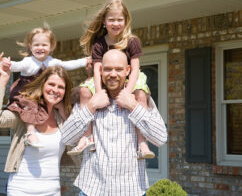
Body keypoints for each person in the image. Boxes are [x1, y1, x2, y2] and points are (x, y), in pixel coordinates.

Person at [61, 49, 167, 196]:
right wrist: (91, 106)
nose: (112, 74)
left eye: (118, 69)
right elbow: (66, 138)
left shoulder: (139, 98)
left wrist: (133, 106)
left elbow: (160, 138)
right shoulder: (89, 99)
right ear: (100, 71)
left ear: (128, 70)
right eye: (108, 69)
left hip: (132, 190)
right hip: (91, 189)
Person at [67, 0, 154, 159]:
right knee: (85, 92)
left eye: (120, 19)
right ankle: (88, 136)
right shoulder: (99, 44)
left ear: (126, 21)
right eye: (111, 19)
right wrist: (99, 93)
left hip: (129, 76)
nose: (116, 23)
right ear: (104, 21)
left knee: (140, 96)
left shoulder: (132, 41)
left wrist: (128, 93)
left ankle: (142, 141)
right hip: (104, 76)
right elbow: (97, 69)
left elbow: (135, 69)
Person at [0, 53, 78, 195]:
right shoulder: (25, 114)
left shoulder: (62, 119)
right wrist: (3, 79)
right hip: (21, 189)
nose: (55, 90)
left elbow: (77, 141)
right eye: (51, 84)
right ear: (42, 85)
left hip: (52, 191)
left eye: (61, 87)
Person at [2, 24, 91, 148]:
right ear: (30, 46)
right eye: (36, 45)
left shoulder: (52, 62)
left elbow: (68, 64)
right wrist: (8, 64)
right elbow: (17, 66)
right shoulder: (28, 62)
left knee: (61, 105)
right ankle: (30, 133)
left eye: (44, 45)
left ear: (51, 47)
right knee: (31, 106)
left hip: (42, 93)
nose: (40, 48)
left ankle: (73, 129)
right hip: (27, 93)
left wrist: (85, 61)